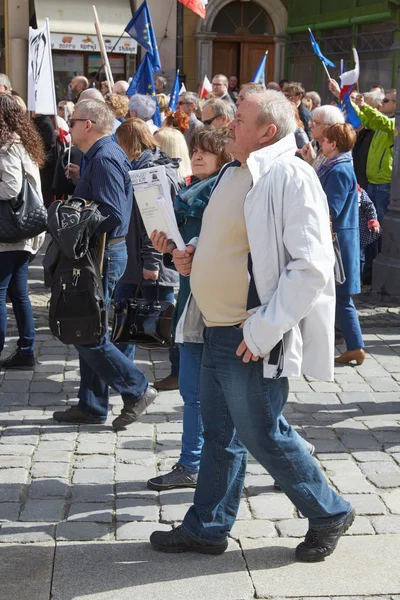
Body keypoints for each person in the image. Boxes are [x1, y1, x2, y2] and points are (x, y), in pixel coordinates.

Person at [150, 91, 354, 561]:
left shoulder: (290, 174)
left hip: (249, 334)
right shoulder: (235, 170)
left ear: (267, 131)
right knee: (220, 433)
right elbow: (230, 237)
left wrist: (264, 331)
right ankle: (207, 528)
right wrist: (191, 253)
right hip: (217, 327)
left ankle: (329, 511)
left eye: (239, 121)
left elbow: (310, 267)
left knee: (263, 432)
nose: (228, 128)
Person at [52, 100, 157, 428]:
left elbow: (112, 214)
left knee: (87, 331)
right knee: (87, 326)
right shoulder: (96, 155)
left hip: (104, 255)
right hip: (97, 254)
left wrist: (74, 219)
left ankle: (137, 388)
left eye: (73, 119)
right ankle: (92, 405)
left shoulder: (106, 157)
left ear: (89, 124)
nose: (69, 124)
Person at [148, 128, 233, 490]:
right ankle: (191, 462)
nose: (197, 155)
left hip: (214, 305)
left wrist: (185, 254)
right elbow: (187, 250)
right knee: (199, 391)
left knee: (215, 393)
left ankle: (191, 463)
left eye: (206, 151)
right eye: (194, 150)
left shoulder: (221, 192)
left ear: (222, 157)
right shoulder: (187, 192)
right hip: (192, 298)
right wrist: (168, 248)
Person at [113, 118, 184, 392]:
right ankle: (124, 376)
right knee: (126, 320)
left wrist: (152, 261)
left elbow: (153, 222)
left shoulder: (150, 170)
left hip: (149, 263)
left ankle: (177, 373)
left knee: (165, 322)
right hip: (139, 261)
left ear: (128, 142)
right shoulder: (150, 164)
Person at [0, 95, 46, 369]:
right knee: (19, 293)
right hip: (23, 229)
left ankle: (23, 349)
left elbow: (10, 188)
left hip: (10, 232)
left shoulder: (7, 147)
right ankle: (26, 350)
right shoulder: (23, 143)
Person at [318, 123, 365, 365]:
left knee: (341, 295)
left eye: (324, 140)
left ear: (333, 144)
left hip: (338, 241)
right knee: (339, 296)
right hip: (340, 239)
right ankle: (354, 346)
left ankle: (355, 347)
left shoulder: (338, 169)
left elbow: (330, 210)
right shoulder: (336, 165)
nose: (320, 144)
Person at [300, 105, 345, 171]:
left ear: (330, 127)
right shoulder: (319, 147)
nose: (310, 126)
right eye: (311, 121)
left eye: (316, 123)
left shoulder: (335, 157)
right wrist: (310, 161)